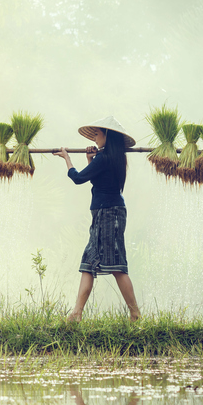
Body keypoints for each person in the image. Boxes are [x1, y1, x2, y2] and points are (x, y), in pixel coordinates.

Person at [53, 116, 141, 322]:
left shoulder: (105, 158)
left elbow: (78, 178)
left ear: (107, 135)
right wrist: (90, 160)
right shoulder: (112, 158)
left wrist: (67, 158)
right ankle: (77, 313)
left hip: (108, 213)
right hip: (108, 212)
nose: (94, 138)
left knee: (117, 265)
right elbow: (100, 180)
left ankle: (135, 314)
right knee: (89, 262)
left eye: (97, 134)